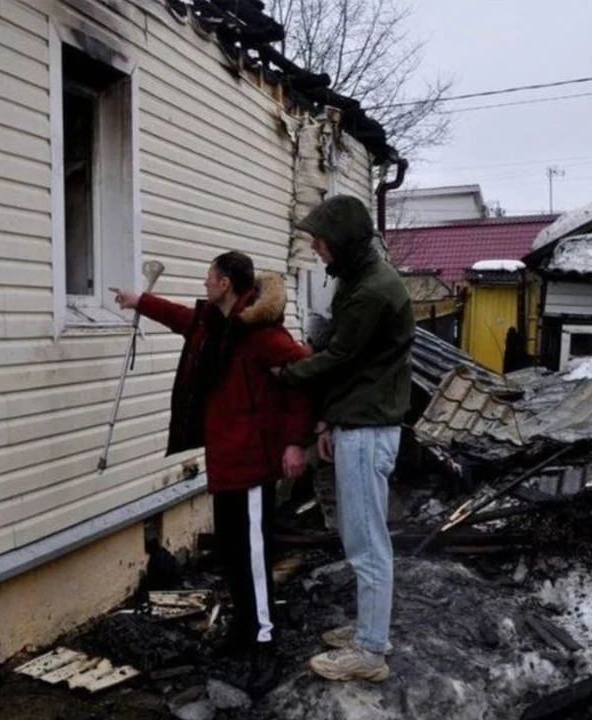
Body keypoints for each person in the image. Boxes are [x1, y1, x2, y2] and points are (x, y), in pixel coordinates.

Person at [112, 251, 312, 698]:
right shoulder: (211, 325)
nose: (204, 282)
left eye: (209, 276)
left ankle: (266, 644)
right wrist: (139, 300)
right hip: (223, 465)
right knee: (231, 554)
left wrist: (297, 441)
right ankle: (243, 629)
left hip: (254, 466)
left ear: (225, 283)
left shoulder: (263, 335)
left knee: (256, 562)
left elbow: (304, 377)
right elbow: (181, 317)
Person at [278, 195, 415, 683]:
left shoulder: (372, 292)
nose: (314, 248)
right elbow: (350, 357)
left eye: (319, 240)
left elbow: (338, 358)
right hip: (358, 420)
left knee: (367, 543)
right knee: (362, 536)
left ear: (343, 241)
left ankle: (370, 652)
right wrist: (327, 421)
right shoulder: (360, 280)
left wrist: (286, 373)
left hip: (369, 427)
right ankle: (369, 629)